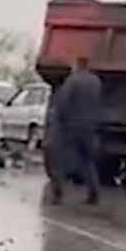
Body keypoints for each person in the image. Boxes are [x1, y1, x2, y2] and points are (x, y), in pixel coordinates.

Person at [45, 56, 104, 205]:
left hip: (69, 127)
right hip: (89, 126)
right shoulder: (95, 81)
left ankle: (58, 195)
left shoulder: (72, 81)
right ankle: (94, 193)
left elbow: (63, 103)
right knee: (87, 161)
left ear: (76, 65)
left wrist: (58, 121)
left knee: (59, 161)